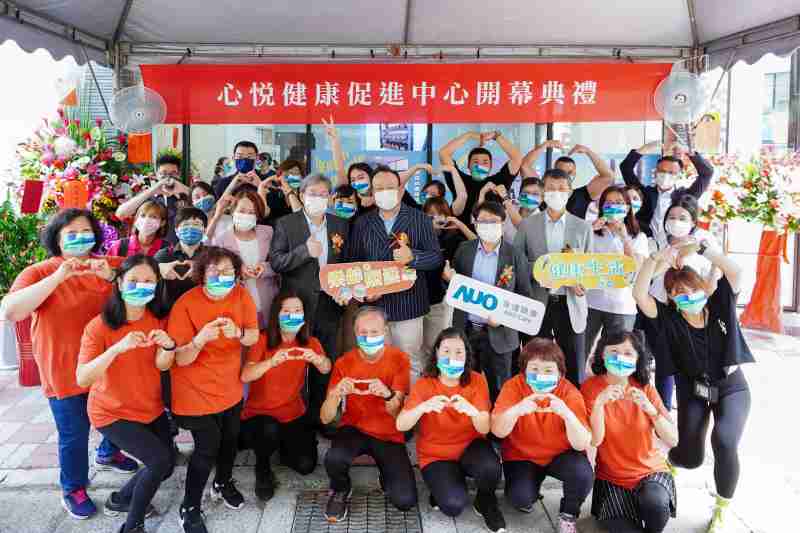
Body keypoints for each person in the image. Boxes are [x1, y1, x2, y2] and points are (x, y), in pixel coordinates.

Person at [1, 209, 136, 520]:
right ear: (57, 239)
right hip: (64, 368)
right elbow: (10, 311)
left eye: (86, 231)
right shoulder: (39, 272)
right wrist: (58, 277)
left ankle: (108, 452)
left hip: (108, 363)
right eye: (71, 233)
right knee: (74, 431)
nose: (80, 238)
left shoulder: (107, 264)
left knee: (115, 414)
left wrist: (112, 276)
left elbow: (148, 274)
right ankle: (73, 487)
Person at [634, 240, 754, 533]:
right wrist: (656, 258)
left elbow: (736, 272)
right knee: (691, 458)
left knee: (724, 440)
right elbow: (639, 293)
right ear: (672, 299)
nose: (688, 297)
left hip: (731, 386)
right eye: (679, 293)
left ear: (702, 288)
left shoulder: (720, 304)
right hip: (693, 389)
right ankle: (670, 462)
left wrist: (702, 249)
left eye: (692, 290)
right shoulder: (668, 319)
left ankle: (721, 508)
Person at [75, 255, 176, 533]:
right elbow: (83, 377)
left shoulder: (158, 320)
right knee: (159, 461)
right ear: (119, 283)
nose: (141, 286)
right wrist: (117, 348)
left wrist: (169, 346)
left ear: (157, 285)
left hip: (150, 407)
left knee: (166, 465)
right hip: (112, 413)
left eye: (148, 281)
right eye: (133, 280)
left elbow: (163, 365)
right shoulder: (99, 326)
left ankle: (121, 499)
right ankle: (132, 526)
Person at [167, 246, 260, 533]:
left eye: (228, 271)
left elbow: (253, 335)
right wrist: (200, 339)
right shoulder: (185, 304)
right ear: (201, 274)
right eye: (215, 271)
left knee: (230, 439)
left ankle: (222, 482)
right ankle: (189, 507)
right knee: (208, 446)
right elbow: (179, 358)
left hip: (229, 386)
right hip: (192, 390)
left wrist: (238, 333)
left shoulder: (241, 295)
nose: (222, 277)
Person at [397, 328, 505, 533]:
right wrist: (423, 407)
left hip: (471, 448)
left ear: (466, 356)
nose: (452, 357)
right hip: (435, 455)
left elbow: (485, 427)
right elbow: (401, 425)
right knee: (453, 505)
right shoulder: (424, 383)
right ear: (436, 353)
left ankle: (486, 501)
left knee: (490, 468)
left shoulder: (477, 380)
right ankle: (443, 485)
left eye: (459, 352)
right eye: (446, 351)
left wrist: (472, 411)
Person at [347, 165, 444, 381]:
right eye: (379, 188)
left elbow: (436, 258)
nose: (384, 192)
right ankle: (383, 401)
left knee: (410, 361)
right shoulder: (362, 223)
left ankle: (410, 402)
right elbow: (353, 264)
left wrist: (413, 257)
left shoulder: (420, 219)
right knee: (377, 361)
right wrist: (363, 292)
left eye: (390, 187)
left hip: (409, 305)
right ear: (372, 192)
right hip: (374, 307)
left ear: (400, 190)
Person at [320, 307, 416, 522]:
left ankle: (386, 473)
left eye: (375, 332)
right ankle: (340, 488)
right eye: (363, 332)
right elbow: (325, 418)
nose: (369, 337)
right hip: (354, 427)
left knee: (405, 500)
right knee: (334, 458)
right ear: (355, 332)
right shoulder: (344, 362)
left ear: (385, 331)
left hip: (389, 432)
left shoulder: (399, 359)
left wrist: (388, 394)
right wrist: (335, 395)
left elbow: (398, 414)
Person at [270, 174, 350, 424]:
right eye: (312, 193)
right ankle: (294, 416)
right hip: (296, 306)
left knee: (324, 362)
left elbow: (346, 264)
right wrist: (304, 251)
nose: (318, 198)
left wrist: (345, 290)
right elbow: (276, 262)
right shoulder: (286, 223)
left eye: (323, 194)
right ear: (302, 195)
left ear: (330, 198)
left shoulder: (340, 225)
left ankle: (321, 417)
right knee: (294, 362)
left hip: (329, 305)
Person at [492, 338, 593, 533]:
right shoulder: (513, 386)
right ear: (524, 370)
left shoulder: (570, 393)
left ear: (560, 373)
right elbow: (497, 431)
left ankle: (568, 514)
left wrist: (567, 414)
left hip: (561, 456)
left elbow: (581, 444)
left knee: (582, 474)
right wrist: (517, 410)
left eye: (548, 370)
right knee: (520, 498)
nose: (540, 375)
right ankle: (532, 486)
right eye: (534, 369)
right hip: (521, 456)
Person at [582, 331, 679, 533]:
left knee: (656, 505)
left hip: (650, 471)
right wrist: (599, 405)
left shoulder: (645, 387)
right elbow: (596, 440)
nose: (620, 357)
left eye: (628, 353)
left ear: (637, 359)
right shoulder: (590, 388)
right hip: (611, 478)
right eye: (614, 351)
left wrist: (651, 410)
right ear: (602, 355)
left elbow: (673, 438)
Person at [240, 290, 331, 502]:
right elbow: (246, 375)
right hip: (259, 415)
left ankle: (281, 447)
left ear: (304, 315)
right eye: (286, 311)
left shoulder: (310, 341)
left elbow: (326, 367)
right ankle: (262, 467)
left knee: (306, 466)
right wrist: (271, 362)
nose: (292, 315)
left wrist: (318, 359)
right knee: (268, 430)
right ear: (276, 314)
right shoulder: (262, 339)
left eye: (297, 310)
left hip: (292, 413)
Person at [445, 201, 533, 402]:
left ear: (503, 223)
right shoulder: (464, 250)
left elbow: (525, 296)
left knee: (500, 390)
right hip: (466, 330)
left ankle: (497, 422)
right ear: (475, 223)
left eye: (493, 221)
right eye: (483, 221)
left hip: (500, 335)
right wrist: (448, 279)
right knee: (465, 386)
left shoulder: (515, 254)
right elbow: (452, 287)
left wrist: (504, 317)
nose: (488, 225)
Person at [514, 168, 593, 386]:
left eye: (561, 189)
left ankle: (572, 403)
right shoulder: (527, 225)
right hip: (537, 302)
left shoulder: (583, 227)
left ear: (570, 192)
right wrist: (541, 270)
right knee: (536, 361)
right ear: (543, 192)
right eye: (551, 188)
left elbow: (590, 269)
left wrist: (582, 285)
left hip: (571, 304)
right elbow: (517, 263)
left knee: (573, 365)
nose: (556, 193)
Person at [585, 186, 649, 348]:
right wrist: (589, 230)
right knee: (581, 351)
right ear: (601, 207)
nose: (613, 206)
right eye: (608, 203)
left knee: (616, 351)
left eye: (619, 202)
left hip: (622, 306)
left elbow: (635, 269)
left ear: (627, 208)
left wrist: (624, 237)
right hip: (591, 302)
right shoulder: (591, 231)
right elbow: (573, 256)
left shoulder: (639, 237)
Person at [620, 140, 713, 243]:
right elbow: (626, 168)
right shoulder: (644, 194)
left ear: (679, 175)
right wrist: (644, 149)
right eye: (662, 171)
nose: (666, 175)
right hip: (645, 243)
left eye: (672, 173)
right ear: (655, 172)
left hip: (676, 244)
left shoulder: (685, 197)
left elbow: (707, 173)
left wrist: (688, 151)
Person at [212, 189, 278, 328]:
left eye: (252, 212)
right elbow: (215, 274)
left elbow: (280, 263)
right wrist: (237, 272)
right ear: (233, 211)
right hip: (237, 306)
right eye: (242, 210)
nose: (246, 215)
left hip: (269, 302)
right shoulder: (221, 239)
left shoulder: (268, 233)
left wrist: (265, 269)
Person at [421, 197, 475, 356]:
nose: (435, 219)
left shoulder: (454, 239)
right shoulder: (418, 237)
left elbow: (479, 245)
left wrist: (459, 225)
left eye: (439, 214)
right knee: (419, 345)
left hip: (442, 300)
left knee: (436, 344)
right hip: (420, 299)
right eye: (430, 215)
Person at [438, 130, 523, 225]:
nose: (480, 165)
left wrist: (496, 136)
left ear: (491, 166)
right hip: (460, 232)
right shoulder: (458, 179)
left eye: (485, 162)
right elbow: (443, 153)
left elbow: (517, 158)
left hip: (493, 232)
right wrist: (469, 135)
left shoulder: (499, 181)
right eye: (475, 162)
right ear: (468, 166)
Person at [521, 141, 615, 222]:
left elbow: (608, 176)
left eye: (569, 172)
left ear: (575, 173)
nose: (565, 176)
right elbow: (525, 166)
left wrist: (588, 152)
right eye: (561, 172)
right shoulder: (542, 191)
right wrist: (545, 145)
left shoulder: (582, 194)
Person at [115, 154, 191, 244]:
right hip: (151, 249)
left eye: (173, 173)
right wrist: (152, 190)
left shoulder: (187, 196)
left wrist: (186, 190)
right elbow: (120, 214)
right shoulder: (147, 197)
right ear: (157, 175)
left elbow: (206, 212)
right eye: (163, 173)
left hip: (179, 249)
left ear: (179, 175)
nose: (168, 177)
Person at [154, 207, 208, 306]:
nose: (190, 228)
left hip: (203, 309)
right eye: (185, 224)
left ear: (204, 230)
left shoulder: (212, 255)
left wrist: (203, 269)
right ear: (176, 231)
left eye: (196, 224)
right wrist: (157, 269)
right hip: (170, 311)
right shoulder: (163, 255)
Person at [258, 159, 305, 223]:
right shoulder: (274, 196)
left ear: (302, 177)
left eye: (296, 173)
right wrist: (261, 185)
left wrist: (288, 189)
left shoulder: (305, 196)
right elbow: (263, 213)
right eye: (287, 174)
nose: (291, 176)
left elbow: (300, 217)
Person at [502, 177, 544, 242]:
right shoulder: (509, 209)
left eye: (535, 194)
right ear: (519, 196)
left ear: (542, 199)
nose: (530, 197)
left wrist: (506, 199)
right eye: (526, 193)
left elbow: (523, 229)